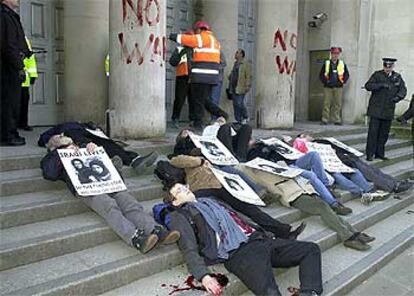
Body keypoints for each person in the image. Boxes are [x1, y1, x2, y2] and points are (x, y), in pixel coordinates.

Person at [165, 183, 323, 296]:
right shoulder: (179, 215)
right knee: (269, 292)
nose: (186, 189)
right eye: (180, 190)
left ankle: (309, 292)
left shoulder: (213, 200)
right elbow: (188, 247)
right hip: (239, 252)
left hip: (260, 239)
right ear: (175, 201)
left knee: (311, 249)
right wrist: (204, 276)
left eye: (185, 186)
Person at [40, 138, 180, 254]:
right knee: (107, 205)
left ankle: (155, 229)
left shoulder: (84, 146)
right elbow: (49, 173)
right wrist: (59, 153)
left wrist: (94, 148)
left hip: (108, 182)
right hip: (87, 188)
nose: (62, 135)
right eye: (58, 137)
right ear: (52, 145)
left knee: (128, 201)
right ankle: (135, 238)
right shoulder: (52, 156)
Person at [237, 165, 376, 252]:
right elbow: (240, 169)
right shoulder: (251, 171)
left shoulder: (275, 165)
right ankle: (348, 236)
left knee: (325, 207)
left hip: (304, 189)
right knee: (322, 206)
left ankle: (353, 232)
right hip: (292, 195)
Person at [169, 154, 305, 239]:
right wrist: (200, 160)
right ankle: (280, 233)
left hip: (221, 188)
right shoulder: (192, 165)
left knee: (250, 211)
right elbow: (175, 160)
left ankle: (283, 231)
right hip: (203, 190)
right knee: (246, 212)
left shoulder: (211, 166)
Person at [169, 21, 229, 129]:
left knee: (197, 101)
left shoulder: (201, 39)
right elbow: (173, 61)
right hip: (200, 77)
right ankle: (220, 114)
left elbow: (186, 40)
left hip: (200, 76)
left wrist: (170, 36)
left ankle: (198, 123)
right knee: (201, 99)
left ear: (200, 29)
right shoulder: (214, 41)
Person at [39, 122, 158, 174]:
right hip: (72, 136)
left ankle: (134, 160)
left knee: (107, 144)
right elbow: (43, 139)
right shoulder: (63, 126)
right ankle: (109, 162)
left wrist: (97, 131)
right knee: (82, 140)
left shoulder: (86, 126)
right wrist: (54, 142)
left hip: (89, 134)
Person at [1, 0, 31, 146]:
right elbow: (8, 45)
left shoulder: (10, 15)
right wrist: (19, 66)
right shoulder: (4, 15)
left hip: (11, 65)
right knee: (8, 102)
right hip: (8, 67)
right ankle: (7, 135)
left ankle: (10, 132)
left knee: (13, 102)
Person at [365, 58, 407, 161]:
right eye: (385, 66)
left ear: (393, 67)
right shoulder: (377, 75)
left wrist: (398, 97)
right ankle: (370, 154)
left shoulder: (397, 77)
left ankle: (380, 153)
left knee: (384, 134)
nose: (387, 69)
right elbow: (368, 86)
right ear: (383, 66)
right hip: (376, 109)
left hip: (388, 109)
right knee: (373, 133)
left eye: (390, 67)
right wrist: (380, 85)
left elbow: (403, 89)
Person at [319, 47, 349, 125]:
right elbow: (321, 75)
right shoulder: (327, 63)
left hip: (338, 87)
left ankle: (337, 120)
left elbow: (346, 74)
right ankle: (324, 119)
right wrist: (326, 81)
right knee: (326, 103)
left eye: (337, 54)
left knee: (338, 104)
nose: (335, 55)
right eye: (334, 54)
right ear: (331, 54)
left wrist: (343, 82)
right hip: (328, 87)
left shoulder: (342, 64)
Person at [169, 32, 194, 128]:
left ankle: (193, 119)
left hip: (193, 77)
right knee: (179, 99)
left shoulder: (196, 50)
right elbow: (172, 62)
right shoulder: (179, 49)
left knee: (193, 99)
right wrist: (180, 54)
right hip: (182, 76)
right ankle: (175, 118)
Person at [228, 48, 252, 124]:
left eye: (237, 53)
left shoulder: (246, 64)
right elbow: (233, 73)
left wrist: (248, 85)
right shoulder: (235, 64)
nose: (236, 54)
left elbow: (249, 75)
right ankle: (238, 119)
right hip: (233, 86)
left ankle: (245, 116)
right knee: (235, 103)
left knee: (239, 103)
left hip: (241, 86)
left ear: (241, 54)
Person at [19, 36, 38, 131]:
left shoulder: (25, 39)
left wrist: (33, 74)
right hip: (12, 78)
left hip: (24, 80)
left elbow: (31, 58)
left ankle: (23, 123)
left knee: (24, 103)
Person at [210, 50, 226, 120]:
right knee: (209, 100)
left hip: (217, 79)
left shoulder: (219, 52)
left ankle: (214, 118)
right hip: (208, 79)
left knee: (214, 99)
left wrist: (213, 67)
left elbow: (223, 64)